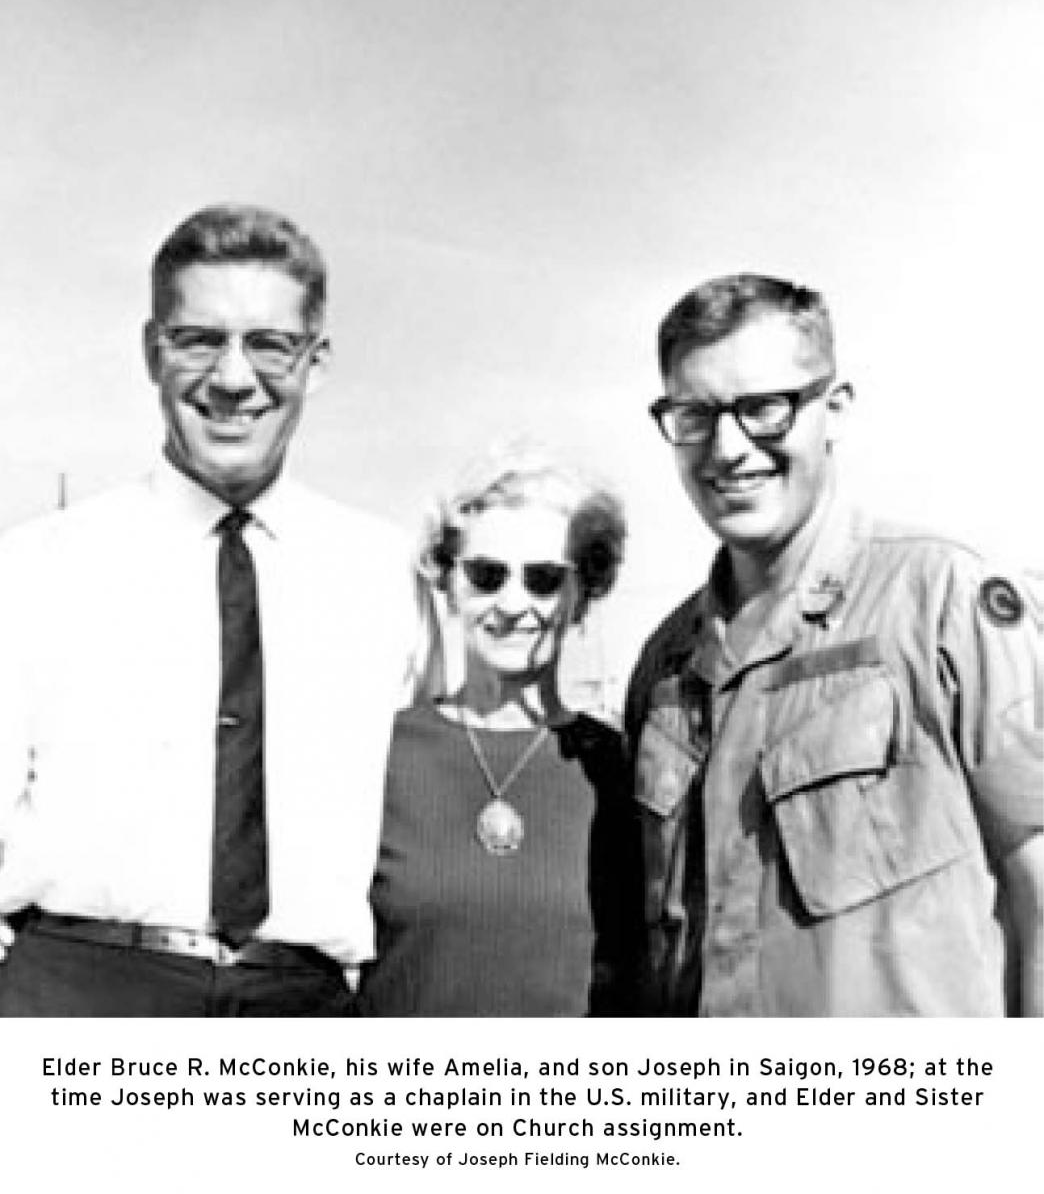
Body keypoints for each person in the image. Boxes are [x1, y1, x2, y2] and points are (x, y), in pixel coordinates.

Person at [0, 203, 418, 1015]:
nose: (233, 379)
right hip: (80, 992)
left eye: (269, 343)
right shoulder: (34, 567)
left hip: (301, 1011)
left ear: (317, 361)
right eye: (199, 340)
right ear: (152, 352)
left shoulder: (387, 577)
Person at [626, 273, 1043, 1016]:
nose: (728, 448)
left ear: (835, 409)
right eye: (695, 414)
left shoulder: (942, 599)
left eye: (763, 407)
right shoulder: (664, 668)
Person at [357, 447, 642, 1016]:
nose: (512, 604)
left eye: (543, 580)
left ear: (584, 595)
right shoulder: (380, 752)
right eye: (486, 576)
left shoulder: (618, 768)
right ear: (448, 584)